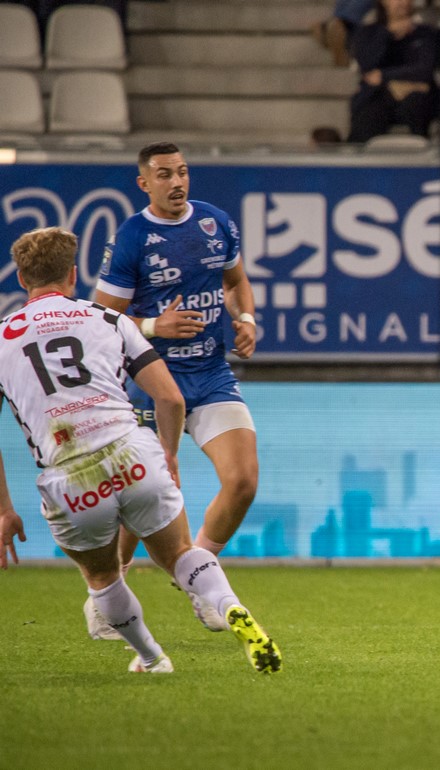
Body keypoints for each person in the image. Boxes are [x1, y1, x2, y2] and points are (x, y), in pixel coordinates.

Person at [0, 226, 281, 674]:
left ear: (21, 279)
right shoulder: (107, 319)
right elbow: (170, 398)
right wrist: (166, 454)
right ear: (73, 276)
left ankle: (152, 658)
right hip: (132, 451)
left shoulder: (2, 337)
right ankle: (228, 605)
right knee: (180, 554)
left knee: (102, 576)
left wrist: (5, 510)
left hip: (69, 475)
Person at [89, 141, 259, 639]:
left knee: (244, 480)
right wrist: (154, 326)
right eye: (164, 174)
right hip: (150, 382)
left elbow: (236, 281)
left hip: (210, 374)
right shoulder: (132, 237)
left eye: (182, 172)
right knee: (138, 502)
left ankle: (200, 579)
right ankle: (108, 595)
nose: (177, 182)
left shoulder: (215, 222)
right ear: (144, 183)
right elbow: (103, 320)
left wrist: (244, 317)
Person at [347, 0, 439, 141]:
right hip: (379, 96)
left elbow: (424, 69)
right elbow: (367, 66)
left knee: (417, 105)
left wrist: (384, 75)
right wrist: (388, 33)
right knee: (367, 114)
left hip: (416, 96)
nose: (402, 2)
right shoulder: (368, 32)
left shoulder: (425, 33)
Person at [310, 0, 376, 67]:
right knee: (320, 27)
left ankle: (336, 34)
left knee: (335, 25)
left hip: (353, 26)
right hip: (343, 23)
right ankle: (334, 34)